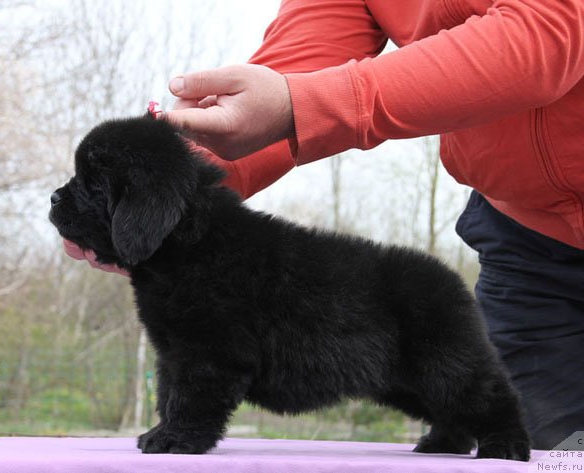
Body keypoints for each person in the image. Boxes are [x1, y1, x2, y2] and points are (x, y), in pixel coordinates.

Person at [65, 0, 584, 450]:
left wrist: (309, 104)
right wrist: (175, 196)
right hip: (529, 240)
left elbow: (543, 34)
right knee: (545, 452)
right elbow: (298, 64)